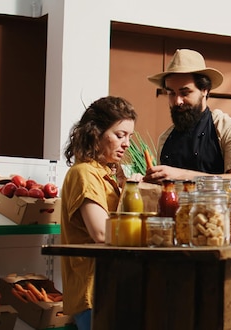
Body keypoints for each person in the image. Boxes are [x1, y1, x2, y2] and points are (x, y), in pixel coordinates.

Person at [60, 96, 138, 330]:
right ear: (96, 133)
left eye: (129, 137)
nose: (126, 144)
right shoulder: (84, 173)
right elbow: (102, 233)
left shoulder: (107, 174)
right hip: (94, 293)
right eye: (119, 135)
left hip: (110, 288)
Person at [143, 49, 231, 183]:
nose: (177, 101)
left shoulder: (229, 130)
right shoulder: (165, 139)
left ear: (205, 90)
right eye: (171, 93)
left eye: (185, 93)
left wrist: (181, 175)